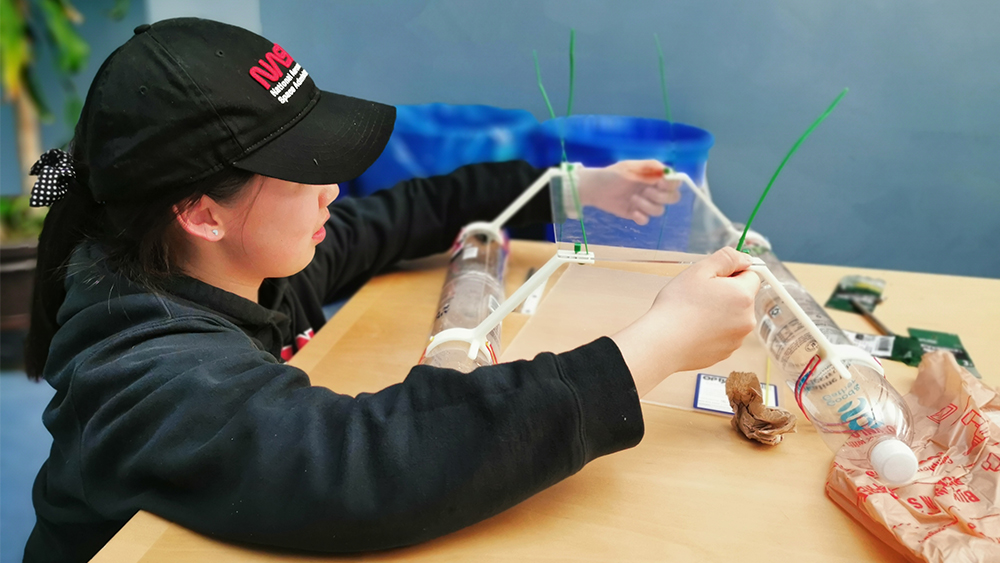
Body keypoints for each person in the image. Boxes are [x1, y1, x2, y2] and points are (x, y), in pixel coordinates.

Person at [21, 18, 759, 563]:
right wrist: (655, 345)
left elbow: (406, 212)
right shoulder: (144, 370)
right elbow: (371, 462)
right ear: (201, 212)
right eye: (302, 170)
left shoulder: (243, 258)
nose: (332, 189)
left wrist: (567, 190)